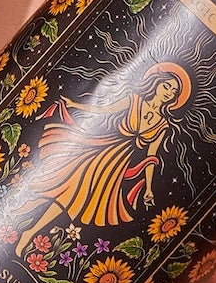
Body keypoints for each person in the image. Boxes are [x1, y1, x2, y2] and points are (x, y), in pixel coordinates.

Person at [10, 62, 193, 256]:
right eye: (167, 86)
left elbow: (151, 157)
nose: (169, 92)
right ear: (157, 83)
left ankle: (27, 227)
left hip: (115, 165)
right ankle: (23, 222)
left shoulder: (163, 125)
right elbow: (102, 109)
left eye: (174, 92)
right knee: (63, 184)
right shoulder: (134, 99)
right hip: (100, 148)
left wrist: (148, 188)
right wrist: (74, 105)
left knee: (72, 196)